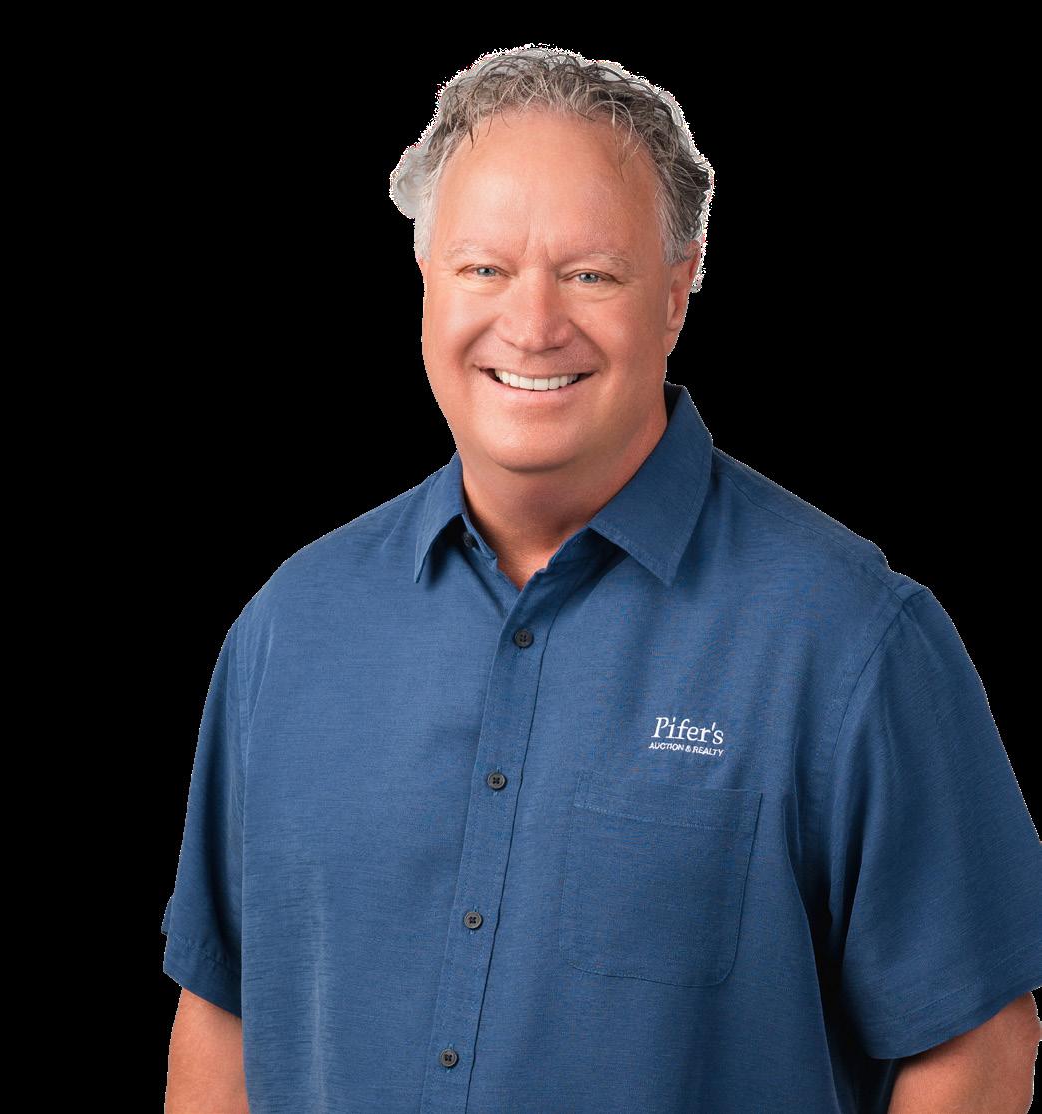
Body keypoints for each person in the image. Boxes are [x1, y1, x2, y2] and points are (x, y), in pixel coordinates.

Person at [160, 46, 1042, 1113]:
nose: (532, 325)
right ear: (427, 282)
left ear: (676, 291)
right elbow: (222, 1013)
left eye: (590, 273)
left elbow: (971, 1041)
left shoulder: (850, 639)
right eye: (483, 268)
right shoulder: (289, 628)